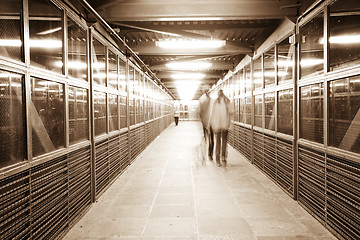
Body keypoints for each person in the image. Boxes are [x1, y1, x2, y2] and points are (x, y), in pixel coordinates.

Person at [210, 89, 233, 167]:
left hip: (222, 125)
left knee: (220, 142)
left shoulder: (217, 102)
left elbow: (230, 113)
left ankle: (220, 159)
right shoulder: (226, 101)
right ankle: (221, 158)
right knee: (222, 142)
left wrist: (213, 124)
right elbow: (231, 113)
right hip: (221, 125)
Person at [198, 84, 214, 160]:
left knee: (206, 137)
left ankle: (204, 154)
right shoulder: (212, 100)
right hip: (211, 122)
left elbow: (199, 112)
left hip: (205, 122)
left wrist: (202, 121)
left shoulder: (202, 100)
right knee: (211, 138)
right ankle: (210, 154)